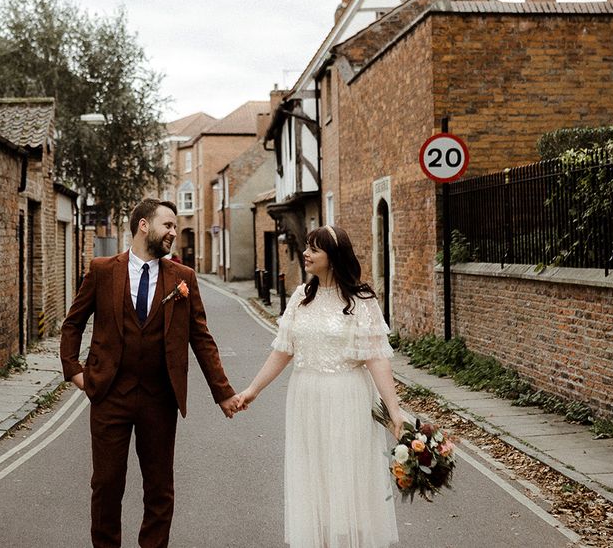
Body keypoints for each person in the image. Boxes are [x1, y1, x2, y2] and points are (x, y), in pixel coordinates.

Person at [60, 198, 241, 548]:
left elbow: (201, 338)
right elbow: (73, 324)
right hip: (110, 394)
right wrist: (75, 372)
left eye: (175, 226)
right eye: (168, 226)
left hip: (159, 399)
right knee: (106, 485)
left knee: (159, 489)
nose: (174, 232)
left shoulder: (182, 277)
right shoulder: (102, 269)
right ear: (144, 225)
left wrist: (224, 393)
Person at [238, 224, 403, 548]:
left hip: (348, 398)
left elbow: (377, 359)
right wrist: (252, 391)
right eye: (307, 247)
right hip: (306, 398)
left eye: (314, 248)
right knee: (314, 477)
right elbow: (283, 351)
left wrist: (395, 412)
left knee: (346, 478)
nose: (306, 253)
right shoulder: (301, 297)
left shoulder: (361, 299)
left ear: (334, 256)